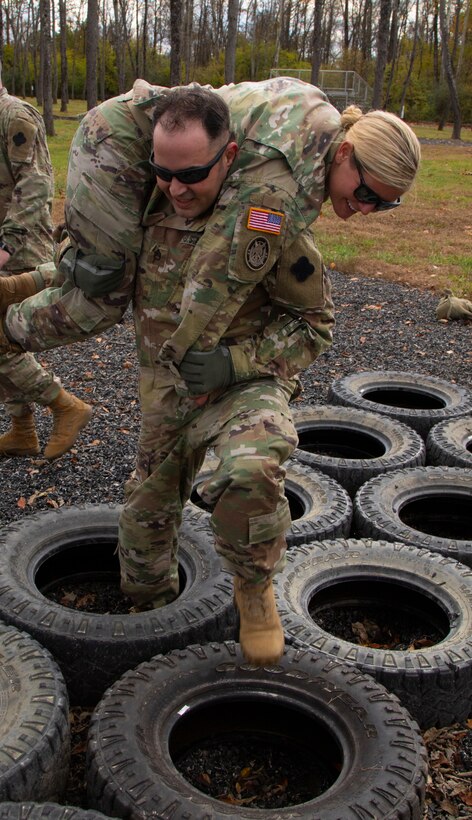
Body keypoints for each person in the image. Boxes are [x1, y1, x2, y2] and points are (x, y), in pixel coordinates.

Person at [0, 78, 421, 663]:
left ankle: (254, 592)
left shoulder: (274, 225)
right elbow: (88, 276)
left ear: (228, 159)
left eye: (193, 175)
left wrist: (234, 363)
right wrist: (38, 283)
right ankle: (152, 630)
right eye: (166, 173)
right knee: (144, 524)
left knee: (250, 469)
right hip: (167, 392)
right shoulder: (149, 208)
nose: (177, 187)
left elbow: (314, 324)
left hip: (241, 387)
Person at [0, 59, 92, 458]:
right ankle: (22, 429)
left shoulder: (14, 116)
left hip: (17, 249)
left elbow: (36, 184)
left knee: (4, 342)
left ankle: (65, 406)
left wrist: (5, 245)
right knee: (5, 342)